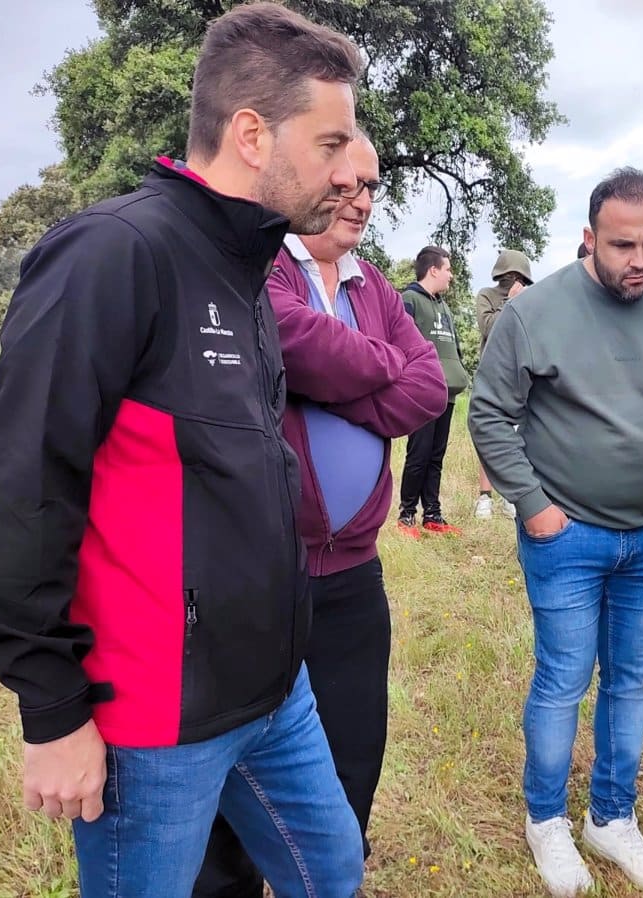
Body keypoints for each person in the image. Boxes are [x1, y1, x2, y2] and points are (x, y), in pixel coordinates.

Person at [0, 5, 367, 897]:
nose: (352, 170)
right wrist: (53, 711)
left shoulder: (249, 268)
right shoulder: (115, 253)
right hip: (152, 719)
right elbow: (18, 480)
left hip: (273, 694)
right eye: (332, 142)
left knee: (331, 872)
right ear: (253, 134)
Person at [192, 134, 448, 895]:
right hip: (265, 574)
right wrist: (372, 365)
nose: (362, 198)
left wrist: (335, 376)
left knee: (352, 750)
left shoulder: (374, 286)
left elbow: (429, 388)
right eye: (347, 181)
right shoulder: (258, 266)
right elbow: (289, 342)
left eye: (371, 185)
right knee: (241, 766)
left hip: (353, 575)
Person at [470, 167, 643, 897]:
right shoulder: (536, 311)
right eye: (621, 245)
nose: (638, 259)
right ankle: (546, 820)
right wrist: (535, 507)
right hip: (567, 538)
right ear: (589, 238)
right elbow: (489, 413)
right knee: (562, 679)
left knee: (631, 681)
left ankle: (611, 818)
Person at [396, 246, 468, 536]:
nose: (451, 275)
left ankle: (433, 514)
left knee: (436, 455)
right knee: (419, 453)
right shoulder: (409, 300)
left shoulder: (444, 307)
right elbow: (400, 342)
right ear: (434, 269)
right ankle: (406, 515)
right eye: (448, 269)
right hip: (423, 393)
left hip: (447, 392)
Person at [475, 249, 534, 519]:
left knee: (517, 439)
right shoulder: (486, 295)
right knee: (489, 435)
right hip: (493, 375)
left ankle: (512, 495)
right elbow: (488, 328)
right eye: (510, 276)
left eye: (518, 276)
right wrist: (508, 303)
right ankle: (484, 497)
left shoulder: (532, 298)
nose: (514, 280)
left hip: (521, 376)